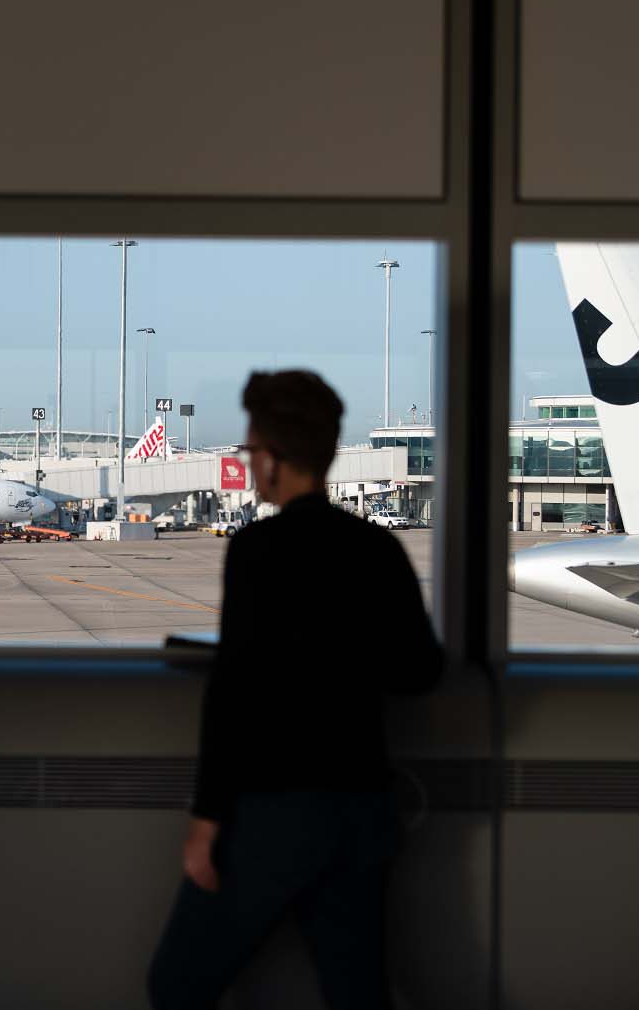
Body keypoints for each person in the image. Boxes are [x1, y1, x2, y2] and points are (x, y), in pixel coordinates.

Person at [148, 370, 443, 1010]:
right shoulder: (377, 549)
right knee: (356, 993)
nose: (250, 465)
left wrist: (205, 822)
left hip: (275, 812)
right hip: (362, 809)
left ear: (275, 460)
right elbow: (421, 671)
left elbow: (233, 697)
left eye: (251, 452)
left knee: (177, 983)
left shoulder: (259, 549)